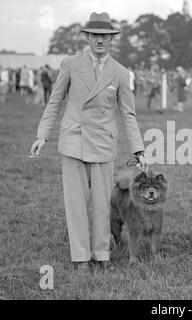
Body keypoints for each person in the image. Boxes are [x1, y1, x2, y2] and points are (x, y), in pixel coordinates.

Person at [30, 12, 146, 272]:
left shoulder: (120, 72)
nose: (100, 40)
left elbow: (128, 113)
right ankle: (81, 257)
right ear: (87, 37)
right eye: (95, 35)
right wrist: (42, 135)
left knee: (102, 203)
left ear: (111, 39)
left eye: (105, 36)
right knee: (76, 203)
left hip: (104, 145)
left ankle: (101, 255)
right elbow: (54, 101)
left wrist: (139, 148)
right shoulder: (70, 64)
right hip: (73, 141)